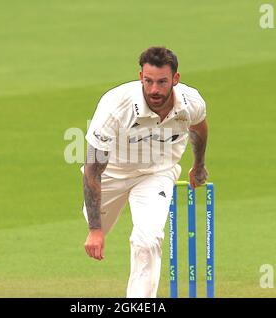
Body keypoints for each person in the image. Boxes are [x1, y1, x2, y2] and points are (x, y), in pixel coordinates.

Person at [81, 46, 209, 297]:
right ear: (140, 76)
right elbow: (93, 169)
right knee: (96, 224)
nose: (154, 90)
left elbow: (199, 129)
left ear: (175, 79)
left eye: (162, 82)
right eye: (148, 81)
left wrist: (199, 165)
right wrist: (95, 230)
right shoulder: (115, 106)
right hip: (112, 174)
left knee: (148, 240)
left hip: (156, 173)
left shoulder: (191, 102)